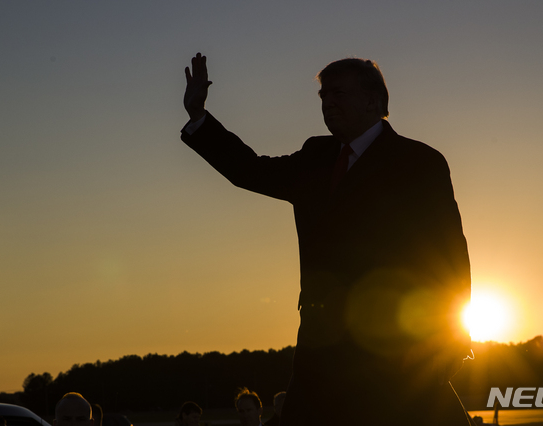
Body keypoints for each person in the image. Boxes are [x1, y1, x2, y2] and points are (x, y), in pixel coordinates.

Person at [181, 53, 472, 426]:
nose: (327, 103)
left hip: (394, 348)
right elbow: (250, 170)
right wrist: (198, 117)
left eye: (337, 93)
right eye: (322, 96)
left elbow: (448, 253)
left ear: (373, 101)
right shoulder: (316, 155)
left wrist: (450, 337)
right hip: (320, 346)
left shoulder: (418, 162)